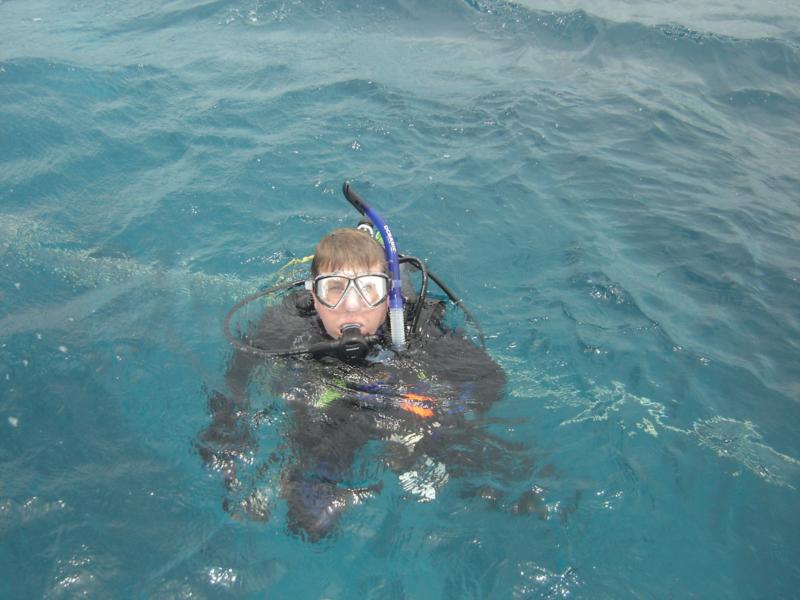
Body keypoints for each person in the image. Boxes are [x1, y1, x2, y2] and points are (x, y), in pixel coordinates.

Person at [199, 212, 508, 540]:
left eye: (369, 290)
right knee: (309, 523)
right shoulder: (286, 325)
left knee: (480, 479)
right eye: (333, 290)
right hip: (331, 411)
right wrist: (228, 426)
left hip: (393, 405)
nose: (351, 305)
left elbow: (490, 380)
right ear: (314, 298)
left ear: (388, 297)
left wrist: (438, 418)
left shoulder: (419, 329)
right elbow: (239, 372)